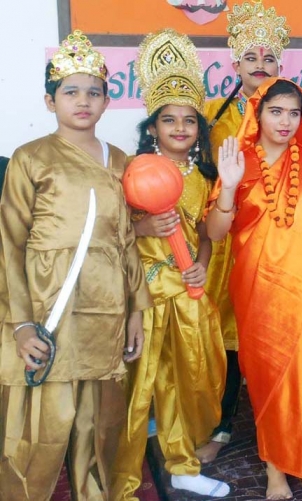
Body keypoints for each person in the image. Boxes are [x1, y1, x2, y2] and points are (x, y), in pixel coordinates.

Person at [0, 30, 151, 500]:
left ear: (107, 102)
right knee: (40, 423)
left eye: (94, 92)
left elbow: (127, 240)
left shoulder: (121, 161)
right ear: (50, 101)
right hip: (47, 306)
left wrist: (136, 309)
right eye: (70, 92)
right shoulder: (30, 158)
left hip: (105, 309)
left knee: (97, 423)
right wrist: (21, 323)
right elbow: (10, 243)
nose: (83, 101)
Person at [208, 78, 302, 499]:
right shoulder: (238, 162)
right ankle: (276, 470)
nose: (285, 121)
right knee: (269, 379)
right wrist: (228, 186)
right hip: (259, 289)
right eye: (275, 111)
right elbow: (215, 233)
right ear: (258, 113)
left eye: (293, 113)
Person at [110, 29, 229, 499]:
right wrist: (142, 228)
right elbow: (109, 230)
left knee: (187, 380)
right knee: (139, 388)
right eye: (168, 120)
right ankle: (120, 477)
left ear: (199, 128)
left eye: (189, 120)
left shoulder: (202, 177)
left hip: (187, 291)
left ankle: (182, 465)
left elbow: (204, 234)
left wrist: (201, 264)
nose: (180, 128)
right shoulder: (132, 171)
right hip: (145, 293)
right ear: (152, 128)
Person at [196, 0, 297, 464]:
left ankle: (283, 427)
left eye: (269, 58)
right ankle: (220, 427)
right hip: (226, 244)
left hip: (281, 246)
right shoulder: (213, 114)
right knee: (227, 341)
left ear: (279, 66)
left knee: (281, 337)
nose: (260, 65)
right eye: (251, 57)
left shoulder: (291, 114)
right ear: (235, 64)